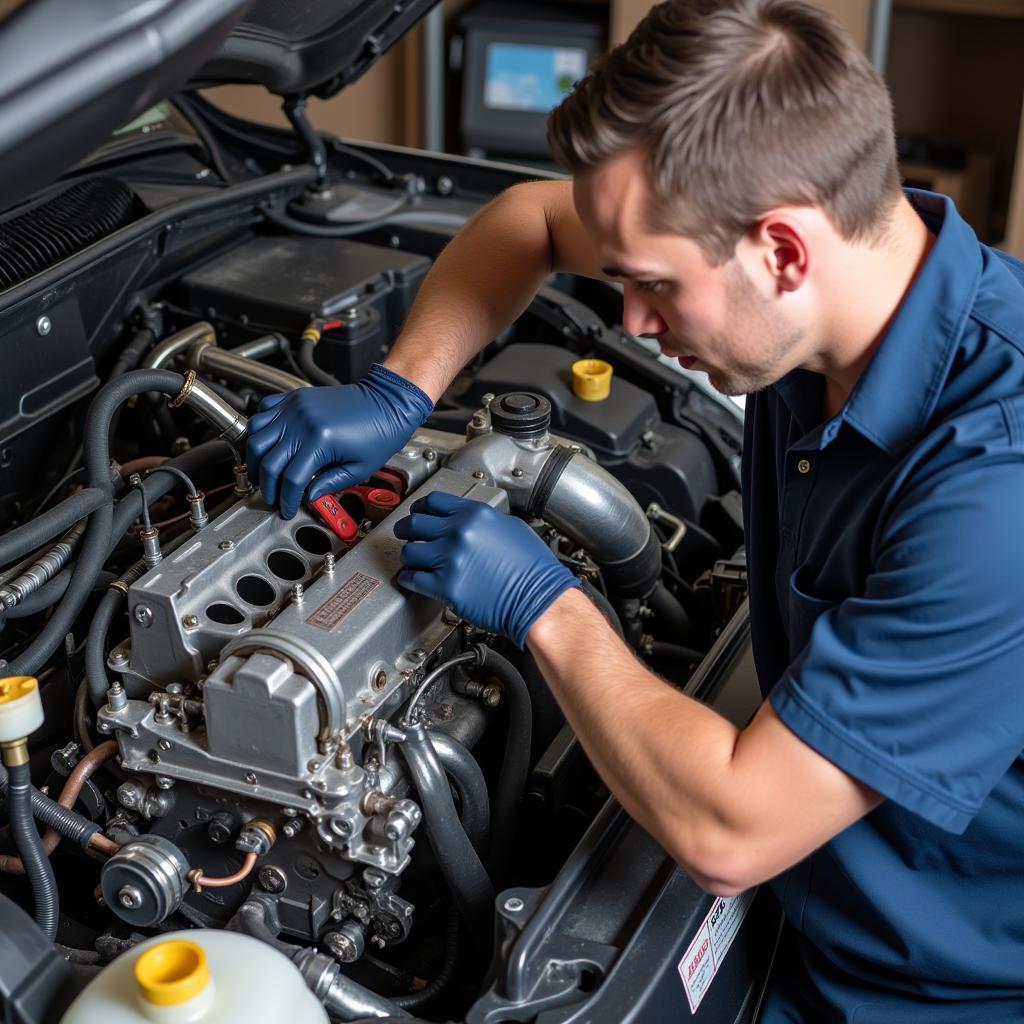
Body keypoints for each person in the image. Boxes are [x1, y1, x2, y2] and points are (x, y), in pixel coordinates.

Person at [246, 1, 1024, 1019]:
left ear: (784, 250)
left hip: (924, 982)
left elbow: (727, 832)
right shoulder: (830, 295)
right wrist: (402, 391)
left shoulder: (993, 489)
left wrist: (544, 602)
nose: (633, 323)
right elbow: (530, 219)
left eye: (655, 287)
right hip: (814, 890)